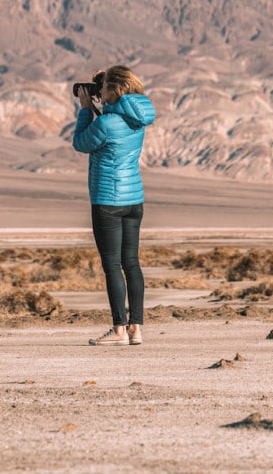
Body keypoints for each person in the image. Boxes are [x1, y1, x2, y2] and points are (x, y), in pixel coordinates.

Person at [72, 65, 155, 346]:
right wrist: (101, 90)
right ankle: (136, 329)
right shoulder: (136, 121)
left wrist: (85, 109)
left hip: (108, 200)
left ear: (115, 90)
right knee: (131, 263)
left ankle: (118, 329)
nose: (101, 91)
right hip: (134, 201)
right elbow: (114, 119)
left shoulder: (106, 124)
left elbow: (81, 143)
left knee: (112, 264)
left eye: (105, 86)